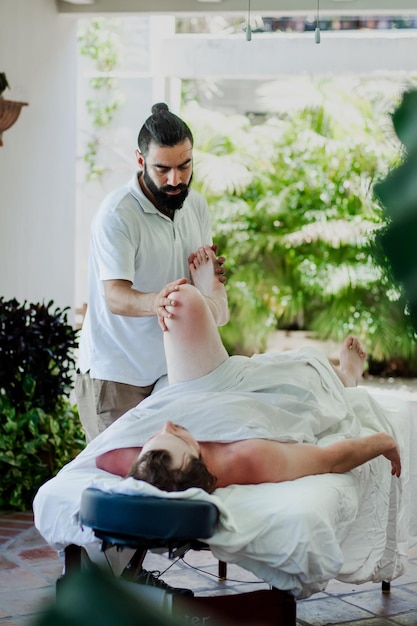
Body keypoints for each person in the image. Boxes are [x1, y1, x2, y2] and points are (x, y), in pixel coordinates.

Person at [96, 247, 401, 492]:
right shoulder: (247, 460)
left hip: (201, 389)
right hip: (254, 408)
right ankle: (346, 377)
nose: (167, 426)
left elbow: (102, 456)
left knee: (179, 300)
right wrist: (383, 441)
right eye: (178, 436)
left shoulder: (137, 463)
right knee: (304, 373)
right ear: (200, 460)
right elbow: (330, 460)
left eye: (154, 439)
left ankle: (215, 303)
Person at [76, 102, 229, 443]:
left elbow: (196, 280)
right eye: (162, 169)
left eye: (184, 166)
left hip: (172, 371)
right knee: (120, 481)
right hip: (117, 375)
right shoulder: (117, 215)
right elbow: (115, 296)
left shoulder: (197, 205)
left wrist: (209, 280)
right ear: (141, 160)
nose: (175, 180)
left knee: (168, 475)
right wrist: (156, 302)